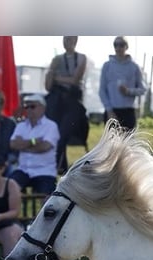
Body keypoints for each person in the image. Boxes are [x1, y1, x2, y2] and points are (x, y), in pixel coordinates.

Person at [9, 93, 60, 213]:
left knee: (47, 201)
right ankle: (13, 219)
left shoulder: (51, 126)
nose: (29, 110)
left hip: (44, 171)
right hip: (23, 170)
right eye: (26, 107)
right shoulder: (21, 126)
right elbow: (13, 144)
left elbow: (45, 147)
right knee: (10, 188)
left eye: (32, 107)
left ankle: (46, 227)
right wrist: (34, 141)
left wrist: (24, 145)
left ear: (42, 108)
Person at [45, 36, 89, 174]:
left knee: (64, 134)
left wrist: (56, 77)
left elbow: (75, 80)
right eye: (65, 39)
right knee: (55, 133)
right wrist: (54, 75)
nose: (67, 42)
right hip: (57, 102)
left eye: (70, 39)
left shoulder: (81, 58)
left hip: (73, 101)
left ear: (75, 41)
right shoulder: (56, 59)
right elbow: (48, 85)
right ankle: (59, 166)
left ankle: (61, 167)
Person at [98, 36, 146, 130]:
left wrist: (128, 91)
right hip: (112, 111)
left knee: (129, 143)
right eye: (115, 45)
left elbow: (143, 89)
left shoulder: (134, 67)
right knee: (111, 143)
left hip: (128, 111)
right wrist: (109, 110)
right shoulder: (107, 66)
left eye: (121, 45)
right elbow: (102, 90)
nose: (118, 48)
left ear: (126, 47)